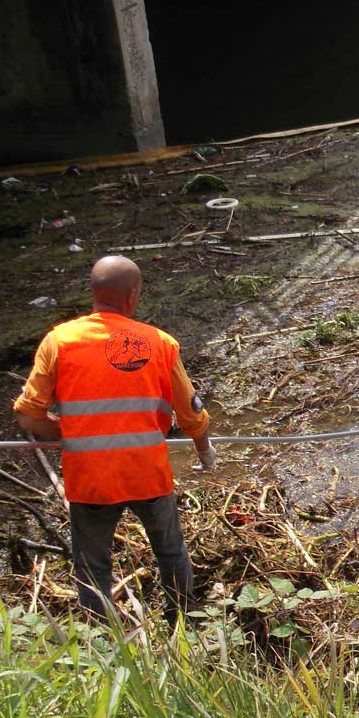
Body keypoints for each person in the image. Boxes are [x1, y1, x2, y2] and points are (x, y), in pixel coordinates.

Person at [13, 255, 216, 622]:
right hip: (146, 473)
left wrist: (71, 431)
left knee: (93, 566)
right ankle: (184, 623)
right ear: (133, 294)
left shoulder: (59, 341)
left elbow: (28, 416)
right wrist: (204, 452)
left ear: (93, 291)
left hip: (90, 477)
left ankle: (100, 638)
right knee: (170, 551)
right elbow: (190, 414)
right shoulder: (159, 343)